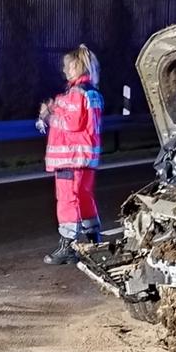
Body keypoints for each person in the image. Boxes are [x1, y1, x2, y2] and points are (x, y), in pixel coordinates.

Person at [38, 45, 104, 265]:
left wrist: (49, 116)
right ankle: (95, 240)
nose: (64, 70)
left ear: (77, 65)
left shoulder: (75, 94)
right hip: (85, 158)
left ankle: (68, 246)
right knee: (84, 197)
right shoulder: (91, 93)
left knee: (67, 200)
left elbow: (71, 124)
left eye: (67, 66)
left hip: (70, 158)